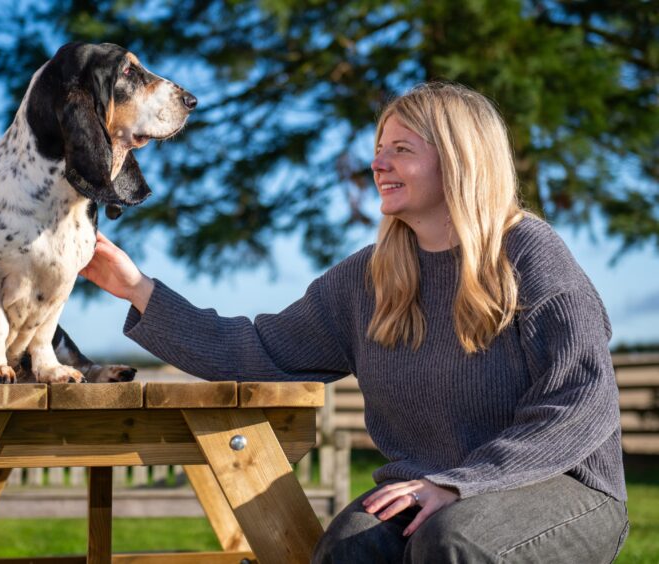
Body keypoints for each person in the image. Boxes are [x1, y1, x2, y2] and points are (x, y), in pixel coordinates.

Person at [80, 82, 629, 563]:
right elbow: (255, 351)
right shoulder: (370, 278)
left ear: (460, 161)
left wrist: (462, 485)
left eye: (401, 150)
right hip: (430, 491)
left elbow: (582, 402)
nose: (378, 164)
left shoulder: (528, 253)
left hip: (562, 484)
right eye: (378, 150)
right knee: (350, 544)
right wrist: (136, 288)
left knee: (456, 541)